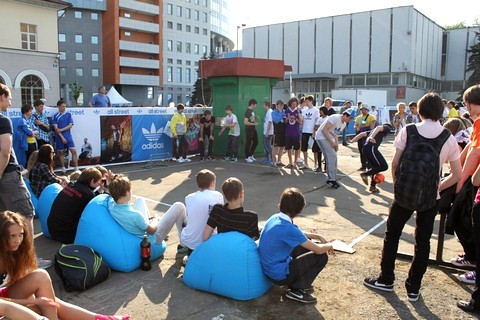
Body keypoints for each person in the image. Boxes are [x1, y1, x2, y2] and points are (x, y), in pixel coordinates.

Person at [363, 92, 461, 302]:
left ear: (421, 110)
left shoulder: (408, 130)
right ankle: (413, 288)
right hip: (430, 198)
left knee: (392, 235)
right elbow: (457, 175)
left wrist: (398, 185)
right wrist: (438, 186)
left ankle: (386, 279)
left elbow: (396, 163)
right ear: (440, 112)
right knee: (423, 242)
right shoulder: (449, 138)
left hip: (404, 193)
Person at [0, 210, 129, 320]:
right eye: (12, 236)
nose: (18, 240)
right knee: (40, 304)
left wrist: (37, 300)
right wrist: (32, 301)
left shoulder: (14, 251)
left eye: (20, 235)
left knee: (43, 283)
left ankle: (100, 318)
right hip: (3, 303)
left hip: (5, 296)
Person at [0, 83, 51, 269]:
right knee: (26, 216)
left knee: (5, 220)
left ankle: (8, 261)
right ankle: (30, 263)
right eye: (9, 97)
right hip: (8, 176)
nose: (10, 101)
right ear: (1, 97)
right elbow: (5, 151)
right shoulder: (4, 120)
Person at [258, 187, 333, 304]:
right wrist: (329, 245)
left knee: (302, 245)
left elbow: (298, 234)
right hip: (278, 274)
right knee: (321, 256)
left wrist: (317, 236)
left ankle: (297, 283)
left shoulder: (275, 218)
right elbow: (318, 250)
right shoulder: (288, 229)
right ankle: (296, 289)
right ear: (299, 210)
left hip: (269, 267)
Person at [107, 174, 187, 252]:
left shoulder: (111, 204)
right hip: (152, 238)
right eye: (130, 190)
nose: (131, 192)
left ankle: (151, 221)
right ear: (125, 192)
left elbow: (109, 191)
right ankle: (184, 244)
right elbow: (152, 231)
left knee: (139, 199)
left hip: (136, 229)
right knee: (179, 206)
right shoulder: (135, 215)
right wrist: (155, 220)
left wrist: (111, 180)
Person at [454, 84, 480, 315]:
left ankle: (473, 259)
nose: (466, 108)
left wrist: (461, 180)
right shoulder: (476, 124)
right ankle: (471, 257)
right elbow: (469, 149)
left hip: (475, 185)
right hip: (473, 183)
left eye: (466, 103)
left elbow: (475, 154)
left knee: (463, 219)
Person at [48, 167, 103, 244]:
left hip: (52, 229)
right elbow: (97, 208)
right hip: (65, 236)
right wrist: (104, 191)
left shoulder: (70, 185)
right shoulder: (87, 194)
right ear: (92, 181)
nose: (99, 183)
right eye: (98, 181)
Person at [203, 177, 259, 241]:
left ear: (224, 195)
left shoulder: (217, 210)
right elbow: (254, 242)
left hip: (222, 248)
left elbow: (205, 237)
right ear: (241, 194)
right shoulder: (251, 217)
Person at [181, 169, 223, 254]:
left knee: (185, 219)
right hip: (209, 241)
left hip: (190, 241)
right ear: (212, 183)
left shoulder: (188, 198)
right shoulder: (218, 195)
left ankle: (183, 246)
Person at [316, 109, 354, 189]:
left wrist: (336, 144)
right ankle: (331, 179)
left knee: (332, 156)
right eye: (349, 118)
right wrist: (331, 142)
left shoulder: (343, 125)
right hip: (321, 137)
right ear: (345, 115)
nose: (350, 120)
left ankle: (333, 177)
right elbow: (324, 130)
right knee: (332, 156)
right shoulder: (335, 117)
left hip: (328, 138)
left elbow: (335, 134)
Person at [350, 123, 393, 193]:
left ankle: (372, 186)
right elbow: (379, 127)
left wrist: (352, 140)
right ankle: (365, 174)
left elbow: (362, 134)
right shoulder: (387, 128)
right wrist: (371, 137)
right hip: (371, 148)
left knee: (375, 168)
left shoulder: (373, 131)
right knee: (384, 166)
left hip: (366, 149)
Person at [52, 100, 78, 174]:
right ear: (58, 106)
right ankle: (63, 168)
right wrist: (61, 136)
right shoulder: (55, 116)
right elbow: (55, 128)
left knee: (74, 151)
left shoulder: (68, 114)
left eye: (65, 106)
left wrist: (62, 130)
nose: (64, 108)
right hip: (59, 137)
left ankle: (76, 168)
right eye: (62, 106)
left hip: (68, 136)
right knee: (61, 152)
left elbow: (70, 125)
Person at [354, 104, 376, 171]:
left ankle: (370, 166)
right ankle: (363, 166)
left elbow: (372, 127)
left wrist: (365, 126)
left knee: (368, 151)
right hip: (360, 135)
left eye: (364, 109)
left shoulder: (371, 117)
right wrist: (357, 127)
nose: (363, 111)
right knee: (361, 151)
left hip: (368, 135)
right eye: (362, 109)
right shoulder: (358, 117)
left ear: (367, 110)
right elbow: (355, 126)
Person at [299, 95, 319, 170]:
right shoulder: (304, 110)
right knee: (304, 148)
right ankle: (306, 163)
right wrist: (298, 114)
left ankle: (316, 164)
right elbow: (301, 121)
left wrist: (314, 132)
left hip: (312, 132)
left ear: (311, 101)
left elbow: (317, 122)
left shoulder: (316, 110)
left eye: (307, 101)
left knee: (315, 149)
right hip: (305, 131)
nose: (306, 103)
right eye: (305, 101)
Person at [284, 97, 302, 169]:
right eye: (293, 104)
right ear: (290, 104)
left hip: (296, 132)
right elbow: (284, 122)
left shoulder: (298, 111)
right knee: (288, 148)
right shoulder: (286, 111)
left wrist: (295, 117)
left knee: (296, 148)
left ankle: (295, 163)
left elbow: (301, 122)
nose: (294, 105)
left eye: (295, 104)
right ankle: (290, 162)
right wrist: (288, 118)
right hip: (288, 132)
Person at [313, 106, 328, 172]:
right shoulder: (319, 119)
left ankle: (326, 167)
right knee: (318, 151)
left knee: (326, 153)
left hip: (325, 137)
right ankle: (319, 166)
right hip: (319, 137)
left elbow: (327, 127)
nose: (319, 113)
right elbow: (316, 127)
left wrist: (320, 126)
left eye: (321, 111)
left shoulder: (328, 118)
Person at [244, 99, 259, 163]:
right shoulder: (247, 111)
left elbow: (251, 119)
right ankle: (247, 157)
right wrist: (254, 124)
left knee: (256, 141)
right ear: (252, 104)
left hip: (253, 129)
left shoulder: (252, 111)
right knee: (248, 143)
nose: (255, 106)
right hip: (249, 129)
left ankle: (250, 155)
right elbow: (245, 122)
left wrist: (255, 117)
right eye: (255, 105)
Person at [261, 101, 275, 166]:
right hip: (267, 132)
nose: (262, 107)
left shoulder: (270, 112)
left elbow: (270, 122)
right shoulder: (268, 112)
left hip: (268, 133)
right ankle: (267, 158)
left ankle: (272, 159)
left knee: (268, 146)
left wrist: (267, 132)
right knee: (265, 144)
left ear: (267, 105)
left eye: (263, 105)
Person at [272, 100, 286, 166]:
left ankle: (279, 160)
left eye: (282, 105)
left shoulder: (284, 112)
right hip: (276, 132)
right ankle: (273, 161)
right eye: (280, 105)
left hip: (283, 131)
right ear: (277, 105)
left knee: (282, 147)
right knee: (275, 147)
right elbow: (276, 120)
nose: (281, 107)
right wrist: (280, 112)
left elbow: (285, 121)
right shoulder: (274, 112)